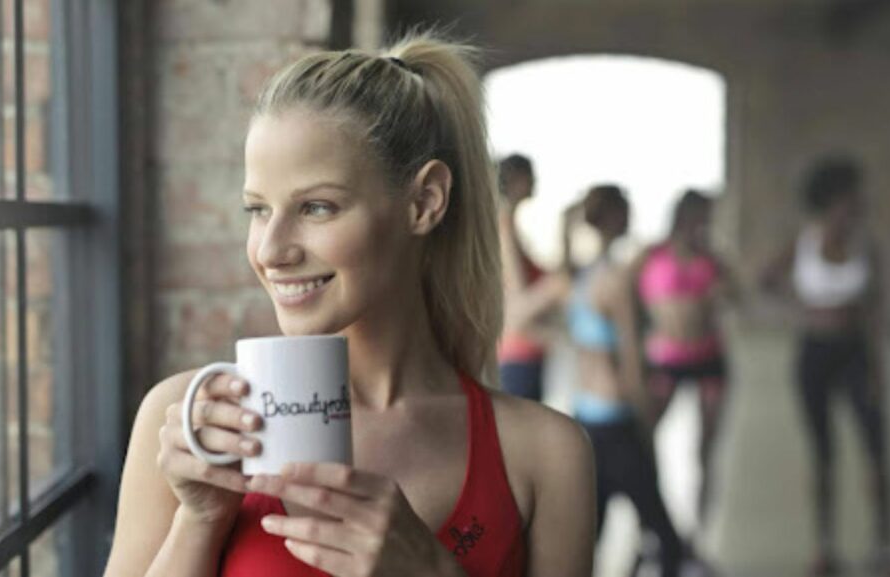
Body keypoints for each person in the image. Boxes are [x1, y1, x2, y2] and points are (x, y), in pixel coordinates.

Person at [102, 33, 595, 577]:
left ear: (424, 201)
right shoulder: (184, 425)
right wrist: (198, 518)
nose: (271, 251)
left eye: (316, 207)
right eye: (258, 209)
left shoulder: (546, 455)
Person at [761, 156, 890, 576]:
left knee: (876, 450)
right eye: (847, 197)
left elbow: (875, 313)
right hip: (815, 354)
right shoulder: (802, 242)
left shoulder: (865, 246)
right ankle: (824, 547)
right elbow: (765, 279)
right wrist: (801, 309)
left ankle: (884, 548)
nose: (854, 205)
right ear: (829, 200)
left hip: (855, 352)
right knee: (822, 454)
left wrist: (877, 368)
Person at [563, 185, 683, 577]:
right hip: (617, 419)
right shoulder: (617, 282)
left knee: (587, 536)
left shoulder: (580, 278)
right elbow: (633, 361)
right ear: (614, 217)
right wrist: (646, 421)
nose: (632, 215)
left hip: (585, 417)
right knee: (666, 536)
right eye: (627, 209)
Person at [632, 189, 736, 565]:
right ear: (683, 217)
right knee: (641, 444)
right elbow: (627, 297)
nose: (704, 225)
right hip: (666, 361)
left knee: (707, 450)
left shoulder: (713, 260)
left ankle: (697, 536)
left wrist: (725, 290)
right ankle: (650, 527)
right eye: (700, 217)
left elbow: (737, 294)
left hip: (708, 359)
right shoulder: (652, 256)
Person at [497, 154, 566, 402]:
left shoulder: (510, 227)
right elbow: (518, 307)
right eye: (530, 175)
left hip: (525, 356)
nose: (535, 180)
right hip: (518, 357)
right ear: (515, 181)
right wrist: (558, 285)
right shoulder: (504, 228)